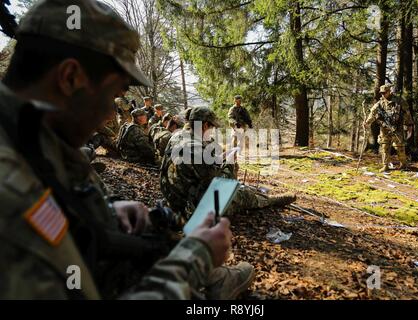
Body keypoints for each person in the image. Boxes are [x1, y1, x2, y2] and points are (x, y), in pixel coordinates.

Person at [0, 0, 254, 300]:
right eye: (114, 94)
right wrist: (195, 257)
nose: (111, 114)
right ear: (70, 78)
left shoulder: (27, 136)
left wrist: (104, 212)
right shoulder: (11, 195)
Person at [160, 106, 296, 220]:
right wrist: (230, 163)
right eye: (211, 128)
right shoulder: (195, 147)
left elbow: (198, 166)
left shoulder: (177, 136)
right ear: (205, 125)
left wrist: (221, 158)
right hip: (190, 209)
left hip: (174, 198)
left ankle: (264, 198)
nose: (212, 132)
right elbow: (221, 184)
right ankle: (270, 201)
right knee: (240, 195)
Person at [365, 84, 414, 172]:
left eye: (385, 92)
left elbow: (407, 113)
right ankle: (385, 165)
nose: (383, 94)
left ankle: (403, 164)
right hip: (384, 129)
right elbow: (372, 113)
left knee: (399, 147)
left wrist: (409, 125)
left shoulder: (399, 101)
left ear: (389, 91)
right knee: (384, 147)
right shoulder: (380, 103)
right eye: (381, 93)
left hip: (397, 128)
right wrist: (367, 122)